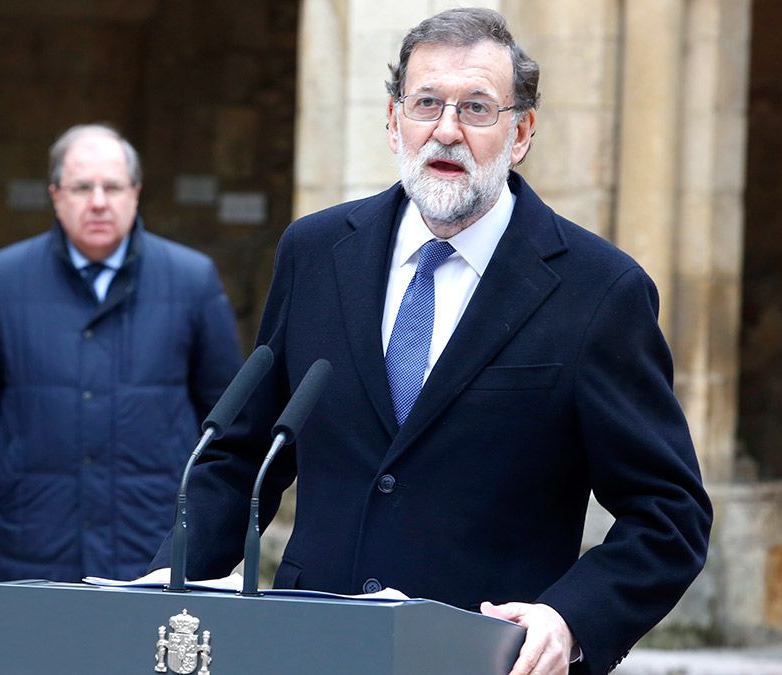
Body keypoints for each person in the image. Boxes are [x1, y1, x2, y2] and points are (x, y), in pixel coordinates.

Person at [150, 9, 712, 675]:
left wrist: (570, 619)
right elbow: (243, 454)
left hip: (482, 656)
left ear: (522, 131)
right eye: (426, 104)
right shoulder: (317, 252)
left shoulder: (598, 291)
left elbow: (669, 514)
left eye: (477, 107)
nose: (447, 130)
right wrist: (170, 572)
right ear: (393, 121)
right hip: (305, 645)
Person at [0, 123, 243, 583]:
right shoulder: (1, 280)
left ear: (136, 193)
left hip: (151, 529)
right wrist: (27, 440)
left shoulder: (191, 280)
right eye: (82, 187)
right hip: (39, 529)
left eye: (113, 187)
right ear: (55, 195)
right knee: (37, 655)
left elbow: (223, 406)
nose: (99, 201)